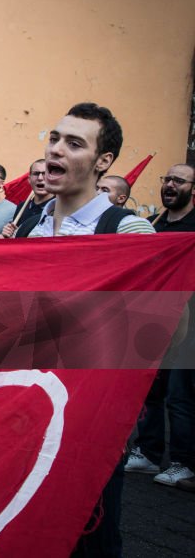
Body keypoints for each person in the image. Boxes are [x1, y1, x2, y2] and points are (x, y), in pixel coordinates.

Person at [15, 102, 154, 557]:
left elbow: (164, 337)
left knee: (85, 541)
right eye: (54, 138)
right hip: (21, 414)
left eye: (74, 143)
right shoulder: (28, 228)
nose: (56, 149)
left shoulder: (127, 233)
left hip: (88, 427)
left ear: (103, 161)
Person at [126, 163, 195, 490]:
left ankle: (184, 462)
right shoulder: (153, 224)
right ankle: (149, 453)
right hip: (154, 320)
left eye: (178, 181)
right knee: (150, 390)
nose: (170, 185)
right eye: (167, 179)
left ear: (192, 189)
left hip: (188, 322)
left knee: (179, 396)